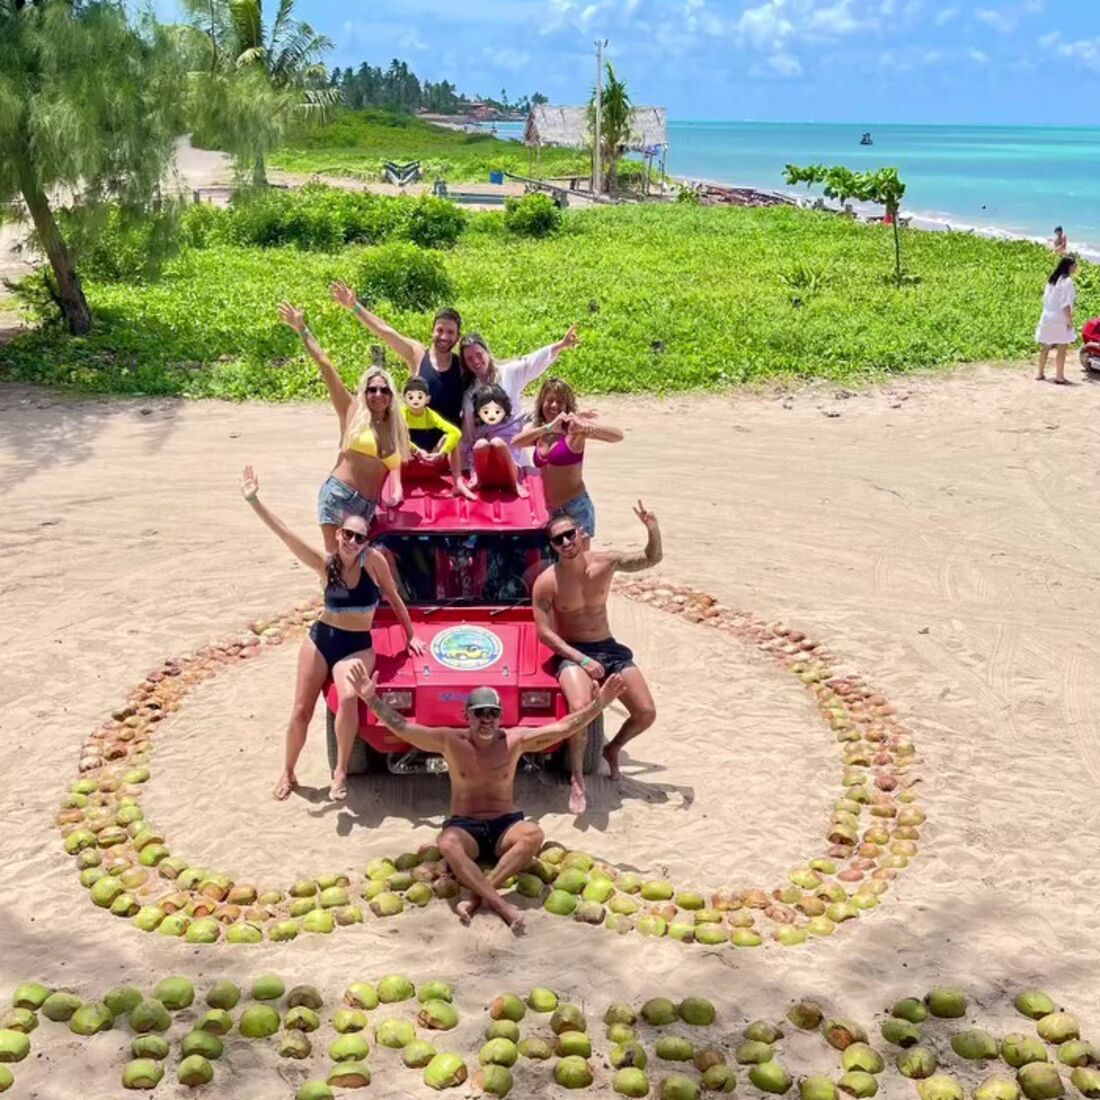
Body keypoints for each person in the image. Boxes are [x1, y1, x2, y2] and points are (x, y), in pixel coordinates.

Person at [348, 665, 625, 931]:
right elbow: (402, 727)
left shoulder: (515, 740)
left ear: (500, 716)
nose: (487, 719)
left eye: (493, 713)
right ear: (466, 715)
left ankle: (480, 895)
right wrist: (371, 698)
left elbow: (564, 727)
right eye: (480, 713)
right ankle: (502, 906)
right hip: (466, 826)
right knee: (447, 842)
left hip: (505, 825)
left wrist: (598, 705)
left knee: (533, 834)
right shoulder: (450, 741)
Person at [240, 466, 425, 802]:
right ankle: (288, 770)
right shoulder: (326, 565)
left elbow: (395, 597)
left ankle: (340, 771)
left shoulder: (374, 562)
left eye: (360, 536)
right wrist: (254, 500)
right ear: (338, 534)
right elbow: (285, 535)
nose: (353, 541)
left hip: (356, 646)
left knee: (349, 696)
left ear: (367, 540)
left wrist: (410, 634)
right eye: (347, 535)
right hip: (322, 638)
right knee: (300, 709)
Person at [531, 502, 662, 815]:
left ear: (581, 533)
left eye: (569, 535)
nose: (565, 543)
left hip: (608, 647)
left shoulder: (606, 562)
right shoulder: (547, 582)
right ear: (552, 546)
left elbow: (651, 558)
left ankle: (612, 749)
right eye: (558, 539)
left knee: (645, 713)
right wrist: (581, 659)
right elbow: (545, 634)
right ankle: (577, 775)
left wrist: (653, 529)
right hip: (574, 652)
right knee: (581, 710)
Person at [278, 303, 410, 550]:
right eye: (372, 389)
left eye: (384, 389)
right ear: (364, 392)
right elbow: (325, 366)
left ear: (392, 394)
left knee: (357, 568)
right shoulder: (350, 409)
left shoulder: (395, 427)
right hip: (340, 495)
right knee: (335, 566)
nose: (378, 394)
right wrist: (301, 328)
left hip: (368, 507)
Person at [329, 280, 467, 430]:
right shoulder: (417, 354)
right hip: (416, 443)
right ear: (432, 330)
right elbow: (384, 331)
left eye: (450, 332)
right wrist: (355, 307)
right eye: (440, 330)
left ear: (458, 336)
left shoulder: (463, 365)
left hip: (451, 444)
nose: (444, 337)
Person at [512, 378, 623, 538]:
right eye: (549, 401)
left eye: (560, 402)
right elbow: (516, 442)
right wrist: (548, 427)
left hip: (574, 506)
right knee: (552, 561)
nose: (554, 406)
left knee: (580, 562)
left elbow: (617, 436)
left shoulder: (574, 431)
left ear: (567, 406)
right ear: (541, 403)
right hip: (548, 509)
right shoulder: (539, 431)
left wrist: (589, 428)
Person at [458, 326, 579, 468]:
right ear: (465, 363)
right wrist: (462, 466)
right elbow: (469, 434)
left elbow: (531, 362)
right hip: (486, 449)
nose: (476, 361)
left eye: (479, 354)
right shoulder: (469, 393)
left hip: (516, 447)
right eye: (469, 358)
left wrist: (561, 345)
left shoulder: (508, 372)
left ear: (487, 352)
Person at [401, 378, 474, 499]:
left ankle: (458, 483)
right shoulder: (401, 414)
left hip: (429, 460)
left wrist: (441, 453)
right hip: (408, 462)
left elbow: (455, 432)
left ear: (427, 399)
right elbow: (396, 436)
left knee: (449, 438)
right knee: (395, 439)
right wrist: (417, 451)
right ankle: (396, 487)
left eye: (419, 397)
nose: (415, 400)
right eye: (410, 397)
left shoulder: (430, 415)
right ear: (404, 399)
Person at [468, 383, 528, 497]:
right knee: (481, 444)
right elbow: (472, 453)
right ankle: (480, 481)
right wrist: (474, 474)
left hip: (510, 471)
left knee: (497, 442)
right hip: (488, 474)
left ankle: (514, 483)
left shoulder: (517, 419)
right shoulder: (482, 427)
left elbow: (534, 419)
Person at [1036, 255, 1078, 384]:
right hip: (1059, 318)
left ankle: (1040, 373)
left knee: (1046, 345)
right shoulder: (1067, 281)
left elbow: (1046, 300)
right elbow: (1065, 304)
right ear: (1069, 267)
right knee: (1062, 347)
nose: (1076, 268)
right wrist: (1069, 321)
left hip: (1047, 315)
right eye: (1075, 265)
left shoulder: (1052, 281)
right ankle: (1059, 376)